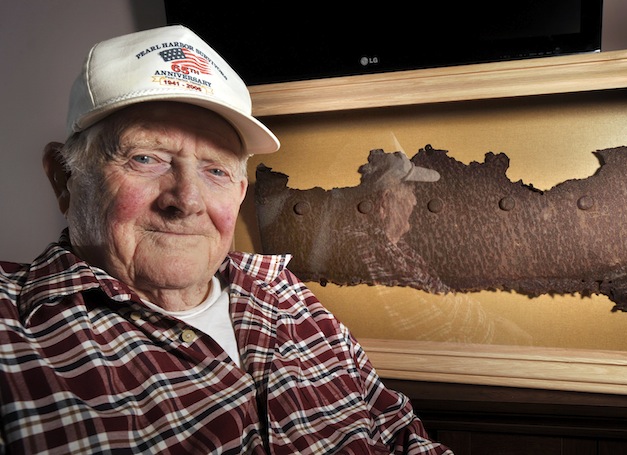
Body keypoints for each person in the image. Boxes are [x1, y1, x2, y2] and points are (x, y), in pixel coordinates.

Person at [0, 25, 452, 454]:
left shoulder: (285, 294)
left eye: (215, 170)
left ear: (238, 193)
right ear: (64, 179)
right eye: (146, 158)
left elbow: (401, 436)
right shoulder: (12, 335)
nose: (188, 199)